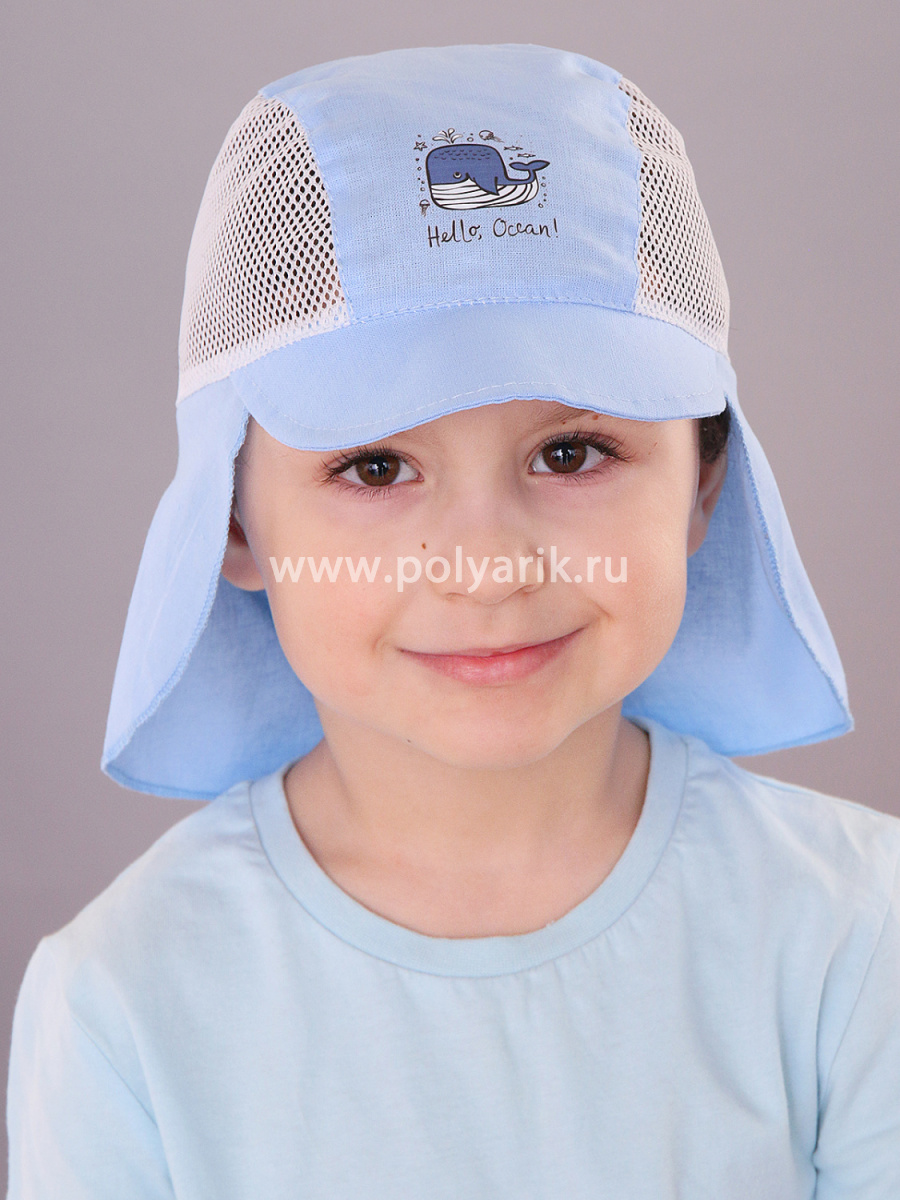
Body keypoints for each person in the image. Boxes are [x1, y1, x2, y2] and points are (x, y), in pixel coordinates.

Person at [6, 44, 899, 1199]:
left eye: (571, 453)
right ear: (228, 521)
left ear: (704, 482)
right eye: (376, 466)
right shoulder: (123, 1004)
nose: (486, 569)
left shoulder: (857, 937)